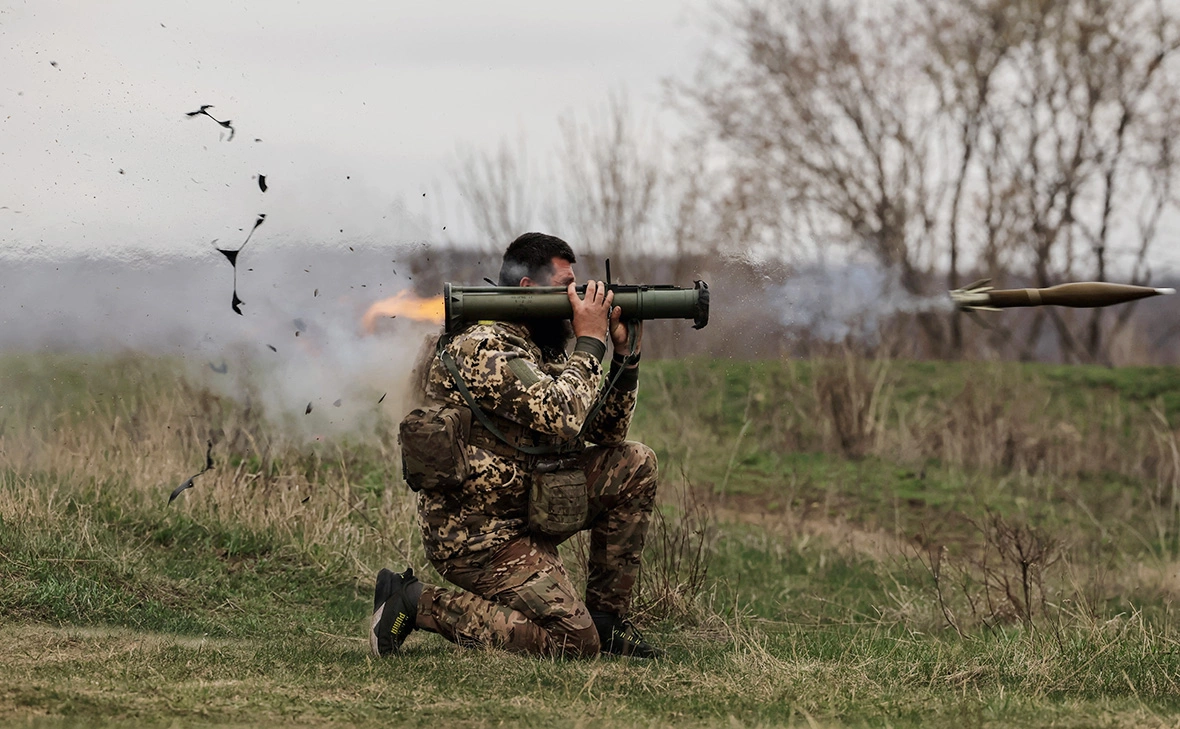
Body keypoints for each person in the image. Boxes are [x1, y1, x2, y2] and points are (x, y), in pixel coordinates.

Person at [371, 232, 661, 659]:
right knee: (572, 645)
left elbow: (605, 433)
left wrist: (624, 357)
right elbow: (561, 414)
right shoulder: (484, 347)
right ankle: (415, 602)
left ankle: (607, 619)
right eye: (566, 287)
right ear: (528, 290)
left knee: (634, 463)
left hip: (527, 510)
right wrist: (591, 341)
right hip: (477, 535)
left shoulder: (539, 346)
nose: (576, 298)